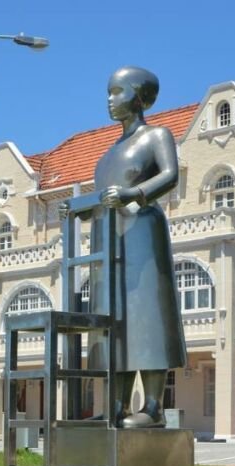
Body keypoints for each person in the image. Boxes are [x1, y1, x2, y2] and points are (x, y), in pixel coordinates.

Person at [61, 66, 186, 428]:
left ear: (138, 96)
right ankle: (115, 405)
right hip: (109, 243)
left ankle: (152, 407)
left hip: (143, 235)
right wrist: (80, 209)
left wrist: (135, 193)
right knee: (114, 322)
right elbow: (103, 198)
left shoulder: (156, 136)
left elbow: (169, 175)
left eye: (116, 92)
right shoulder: (110, 152)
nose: (109, 100)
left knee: (147, 318)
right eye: (108, 92)